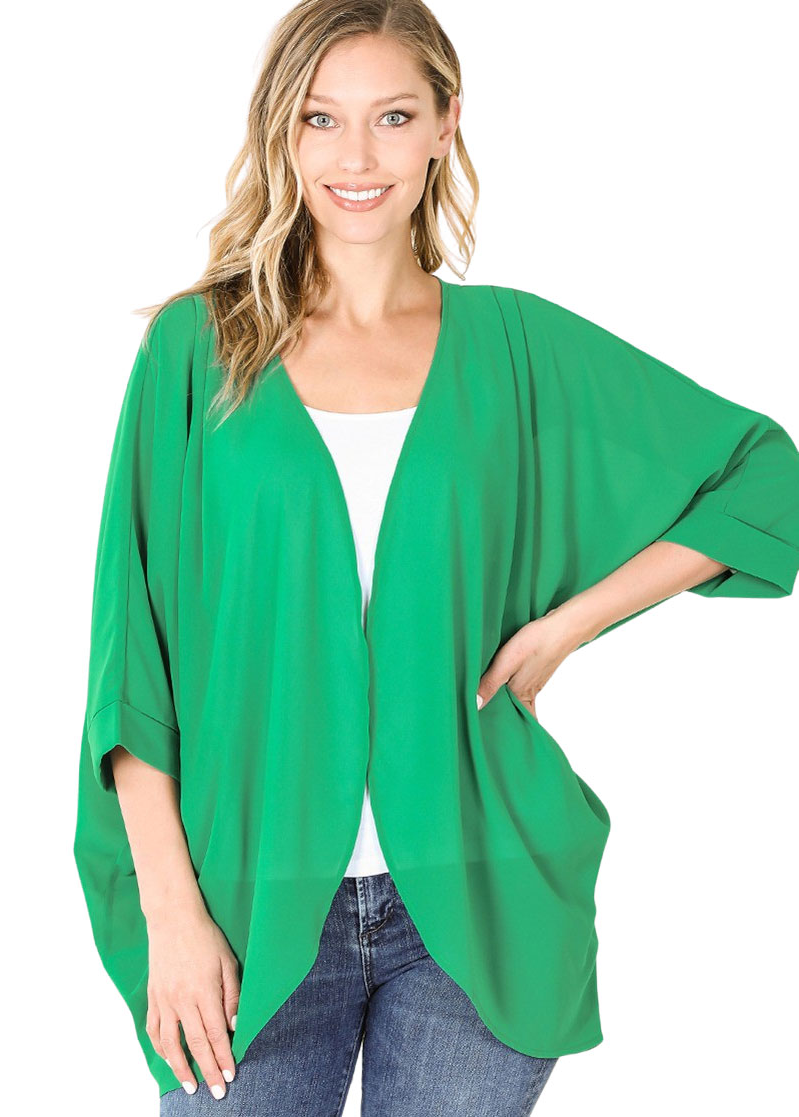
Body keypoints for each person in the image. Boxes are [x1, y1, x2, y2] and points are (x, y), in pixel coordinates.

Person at [73, 2, 799, 1114]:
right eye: (321, 119)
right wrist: (171, 914)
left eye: (393, 116)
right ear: (280, 130)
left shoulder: (514, 345)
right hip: (244, 908)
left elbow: (761, 472)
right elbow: (133, 660)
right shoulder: (200, 348)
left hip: (471, 907)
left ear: (444, 125)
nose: (356, 158)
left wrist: (568, 625)